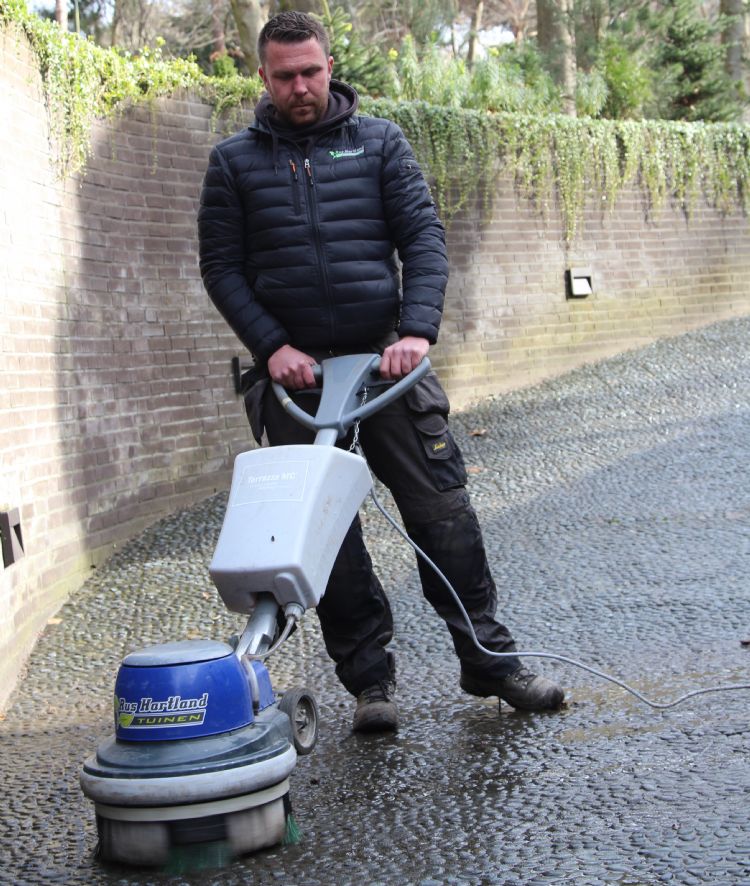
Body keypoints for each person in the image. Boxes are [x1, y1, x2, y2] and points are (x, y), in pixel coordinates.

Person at [198, 11, 564, 733]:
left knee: (443, 514)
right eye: (284, 76)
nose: (300, 87)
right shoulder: (234, 162)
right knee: (325, 537)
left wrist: (417, 331)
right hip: (295, 385)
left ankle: (490, 662)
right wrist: (272, 345)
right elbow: (222, 267)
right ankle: (371, 684)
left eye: (311, 71)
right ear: (262, 77)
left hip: (387, 369)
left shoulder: (379, 143)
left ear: (329, 66)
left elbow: (424, 237)